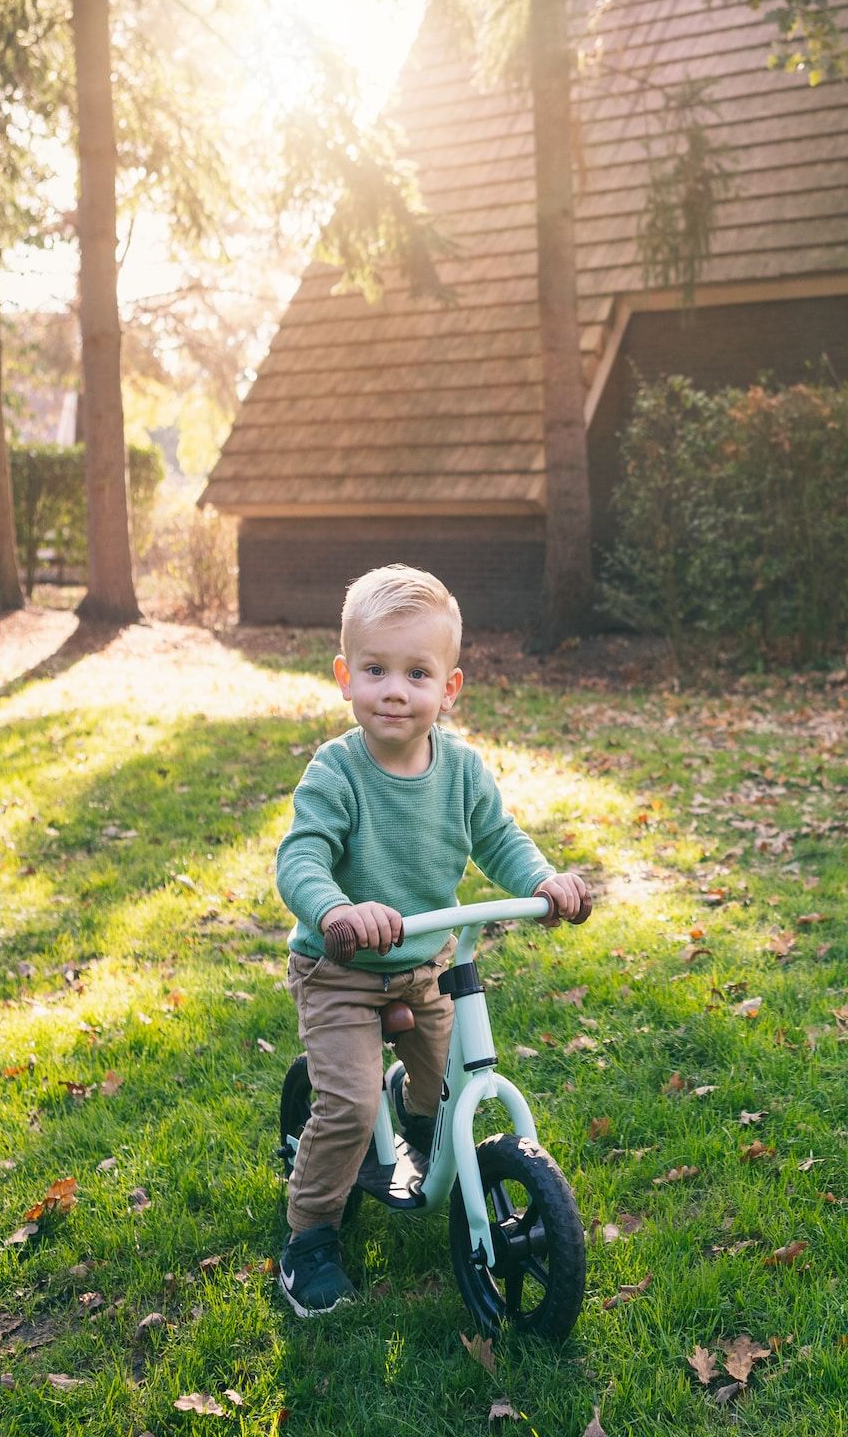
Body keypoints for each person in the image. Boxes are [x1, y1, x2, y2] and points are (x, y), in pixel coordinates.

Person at [272, 564, 592, 1317]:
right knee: (350, 1107)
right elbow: (301, 858)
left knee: (442, 1087)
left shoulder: (463, 772)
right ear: (345, 678)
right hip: (341, 967)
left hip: (425, 962)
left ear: (449, 689)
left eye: (416, 674)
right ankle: (310, 1236)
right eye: (376, 670)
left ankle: (421, 1132)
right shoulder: (337, 771)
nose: (394, 691)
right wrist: (337, 911)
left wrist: (544, 881)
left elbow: (500, 838)